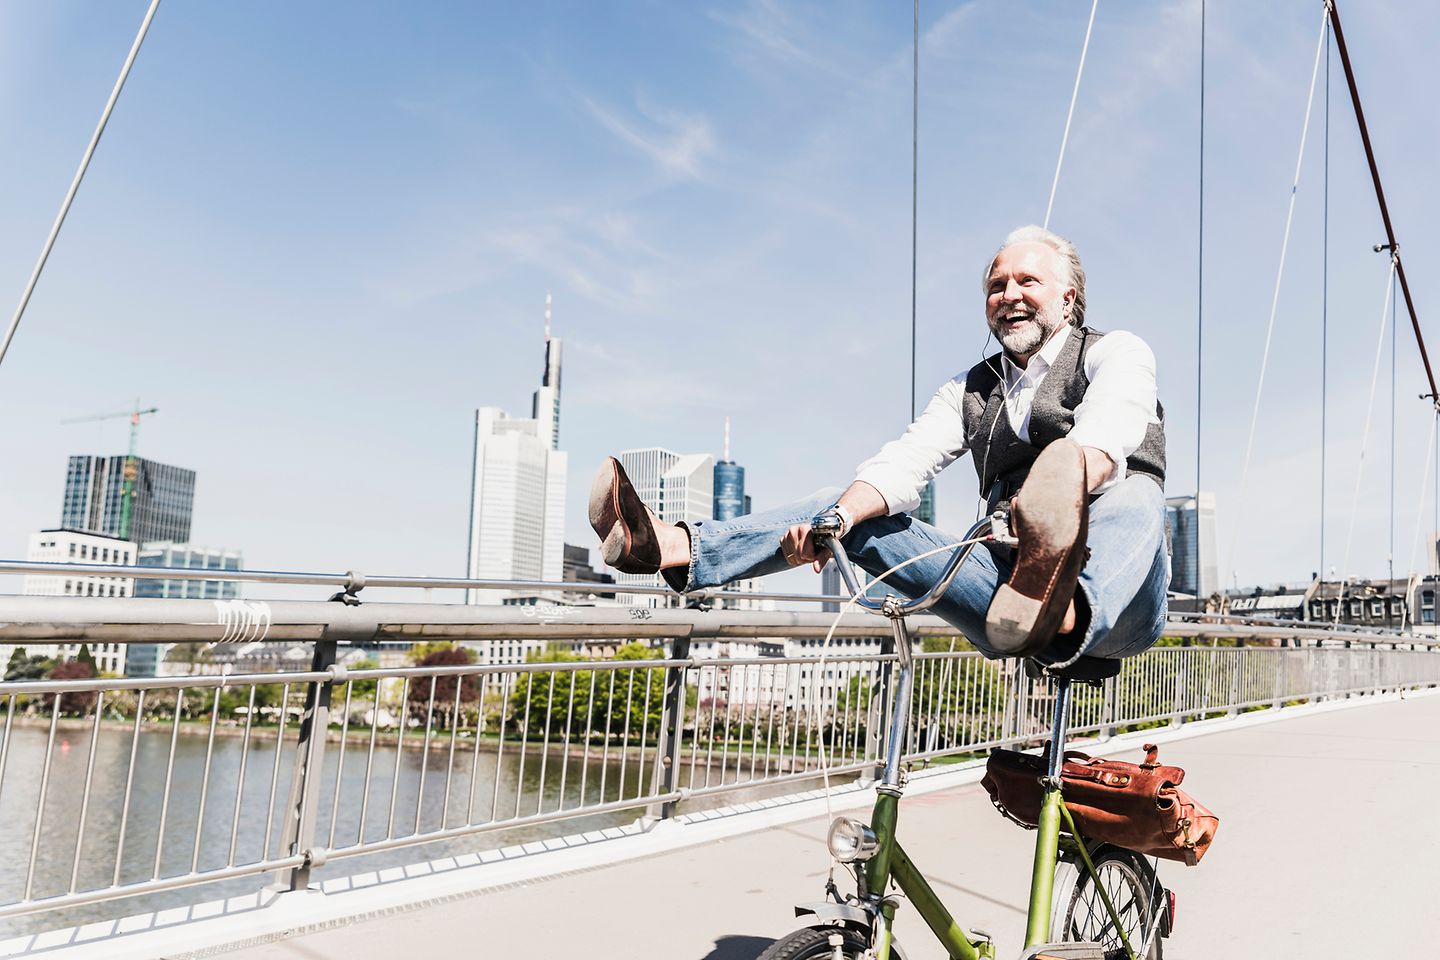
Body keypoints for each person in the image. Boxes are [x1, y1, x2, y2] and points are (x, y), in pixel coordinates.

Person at [589, 225, 1168, 667]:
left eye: (1027, 282)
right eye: (996, 286)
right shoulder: (968, 390)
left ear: (1067, 300)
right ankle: (664, 547)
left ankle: (1063, 604)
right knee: (838, 506)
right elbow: (905, 464)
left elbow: (1112, 425)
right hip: (1003, 591)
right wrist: (832, 524)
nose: (1007, 294)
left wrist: (1064, 479)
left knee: (1137, 496)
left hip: (1117, 600)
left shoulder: (1113, 352)